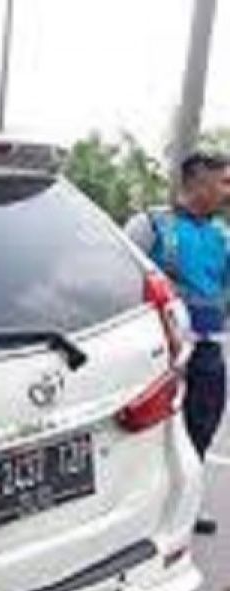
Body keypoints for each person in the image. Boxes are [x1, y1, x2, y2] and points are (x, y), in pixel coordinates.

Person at [126, 151, 230, 536]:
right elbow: (121, 279)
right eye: (224, 182)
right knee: (149, 435)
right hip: (159, 356)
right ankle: (141, 514)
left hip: (206, 352)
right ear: (198, 183)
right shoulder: (151, 226)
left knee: (200, 428)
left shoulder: (222, 235)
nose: (228, 192)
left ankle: (185, 505)